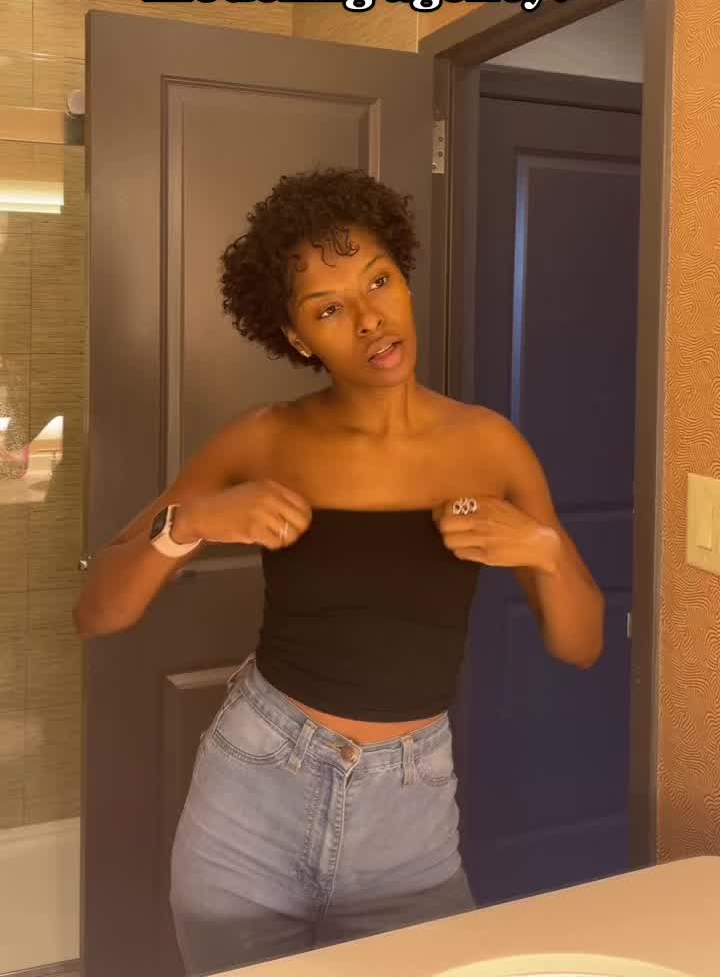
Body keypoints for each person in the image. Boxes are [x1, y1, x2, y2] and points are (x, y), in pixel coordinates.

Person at [73, 166, 604, 975]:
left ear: (404, 279)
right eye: (328, 309)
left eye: (379, 281)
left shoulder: (490, 447)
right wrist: (194, 525)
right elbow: (98, 611)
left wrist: (545, 550)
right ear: (296, 338)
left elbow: (581, 644)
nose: (370, 320)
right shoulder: (264, 438)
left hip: (411, 820)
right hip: (251, 804)